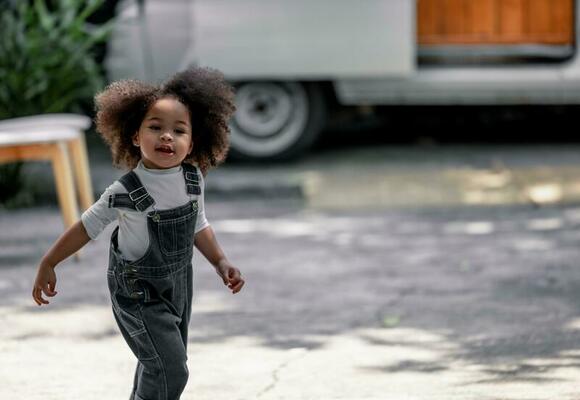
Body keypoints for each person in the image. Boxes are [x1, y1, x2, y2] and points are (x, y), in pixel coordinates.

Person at [31, 66, 245, 400]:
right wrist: (49, 261)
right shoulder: (127, 190)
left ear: (192, 143)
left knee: (158, 363)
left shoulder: (193, 179)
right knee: (171, 370)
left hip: (178, 287)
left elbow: (199, 224)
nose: (166, 136)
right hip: (137, 291)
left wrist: (220, 261)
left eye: (179, 130)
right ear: (134, 136)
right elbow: (87, 226)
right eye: (155, 127)